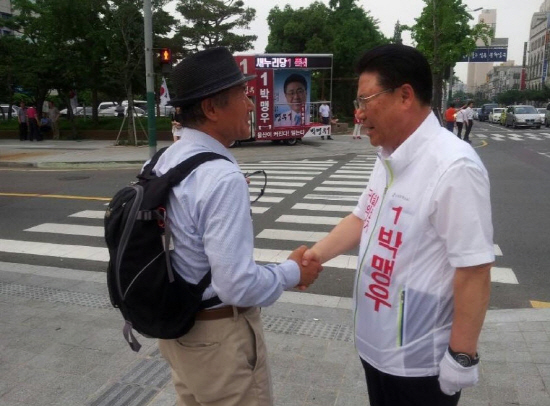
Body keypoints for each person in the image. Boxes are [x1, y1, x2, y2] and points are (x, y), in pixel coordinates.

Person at [300, 44, 494, 406]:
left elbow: (475, 268)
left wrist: (461, 356)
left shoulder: (454, 167)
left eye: (365, 100)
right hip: (378, 348)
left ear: (405, 95)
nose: (358, 114)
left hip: (420, 363)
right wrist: (313, 256)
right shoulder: (389, 154)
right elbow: (362, 217)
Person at [154, 47, 323, 406]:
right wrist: (292, 272)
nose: (250, 104)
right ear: (212, 108)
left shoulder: (166, 159)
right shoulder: (221, 176)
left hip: (180, 334)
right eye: (242, 96)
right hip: (219, 342)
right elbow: (237, 286)